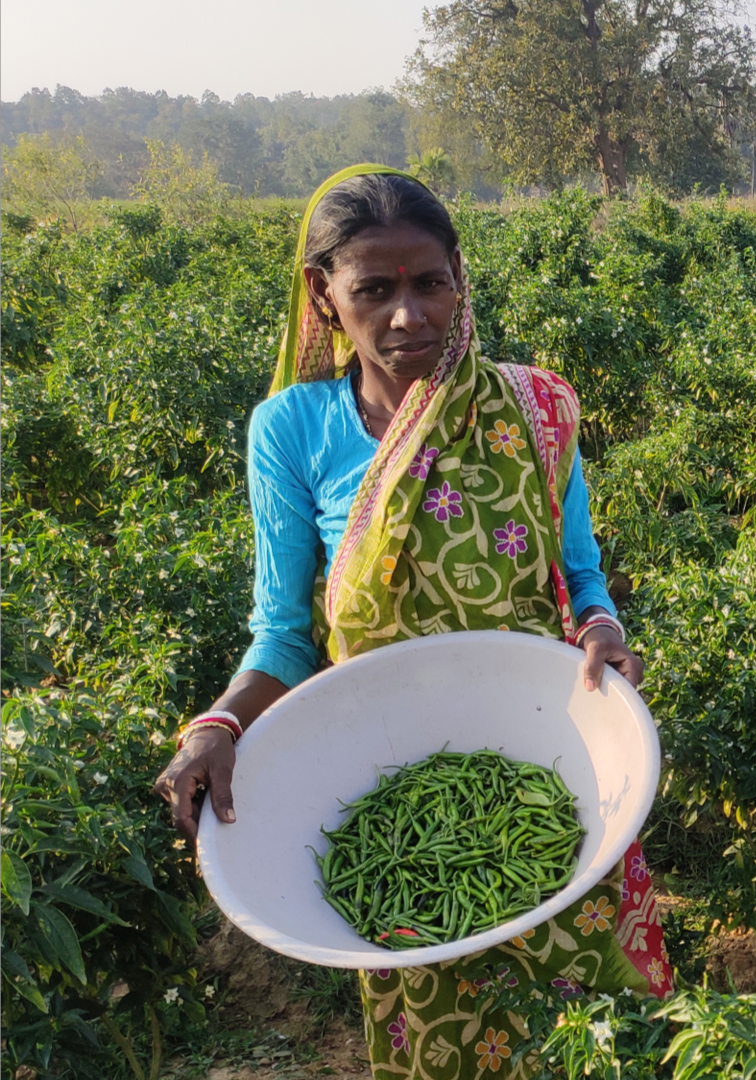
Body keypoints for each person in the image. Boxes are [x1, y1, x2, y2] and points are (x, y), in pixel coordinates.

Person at [152, 166, 674, 1079]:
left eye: (429, 283)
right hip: (387, 771)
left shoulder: (533, 406)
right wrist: (218, 724)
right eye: (374, 291)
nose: (408, 316)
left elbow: (581, 572)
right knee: (447, 1028)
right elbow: (282, 631)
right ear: (324, 296)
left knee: (601, 1039)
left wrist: (601, 631)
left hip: (545, 754)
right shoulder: (290, 430)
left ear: (459, 279)